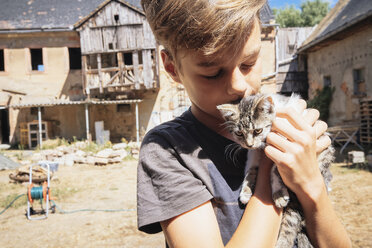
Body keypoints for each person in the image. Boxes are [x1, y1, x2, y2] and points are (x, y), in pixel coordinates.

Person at [137, 0, 351, 247]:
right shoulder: (167, 150)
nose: (238, 85)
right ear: (172, 67)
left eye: (249, 63)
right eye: (213, 73)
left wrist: (312, 184)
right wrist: (272, 159)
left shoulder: (288, 124)